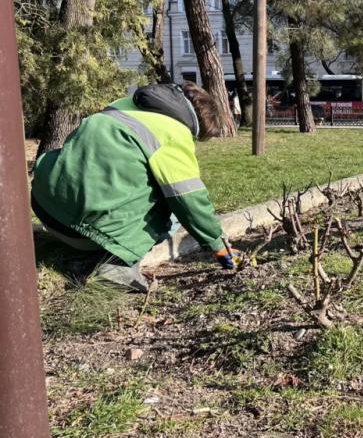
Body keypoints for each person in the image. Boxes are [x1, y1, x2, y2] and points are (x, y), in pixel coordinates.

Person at [31, 82, 242, 292]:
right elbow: (188, 199)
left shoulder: (123, 104)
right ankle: (117, 265)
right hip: (81, 232)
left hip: (46, 207)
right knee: (171, 211)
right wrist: (218, 245)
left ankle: (94, 248)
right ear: (195, 124)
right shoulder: (173, 132)